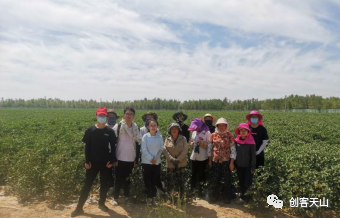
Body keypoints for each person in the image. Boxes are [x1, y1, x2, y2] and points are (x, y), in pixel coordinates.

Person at [71, 107, 117, 217]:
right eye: (99, 115)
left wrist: (111, 161)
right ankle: (79, 208)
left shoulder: (109, 131)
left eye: (103, 116)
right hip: (92, 163)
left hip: (105, 163)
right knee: (87, 184)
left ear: (106, 117)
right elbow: (87, 147)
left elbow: (113, 148)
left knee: (104, 184)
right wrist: (87, 161)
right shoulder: (90, 130)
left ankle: (101, 203)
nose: (101, 117)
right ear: (96, 116)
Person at [111, 107, 141, 205]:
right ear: (124, 115)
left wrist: (136, 159)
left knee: (128, 179)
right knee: (118, 179)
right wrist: (114, 158)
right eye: (127, 114)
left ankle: (127, 196)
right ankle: (115, 198)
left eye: (131, 114)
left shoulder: (136, 128)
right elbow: (113, 143)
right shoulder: (118, 126)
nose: (129, 116)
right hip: (119, 157)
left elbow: (138, 144)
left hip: (131, 158)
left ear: (134, 116)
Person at [208, 118, 236, 204]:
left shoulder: (229, 135)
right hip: (215, 160)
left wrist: (232, 163)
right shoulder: (213, 135)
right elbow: (209, 148)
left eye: (223, 125)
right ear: (217, 126)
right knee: (215, 179)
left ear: (226, 126)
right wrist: (209, 160)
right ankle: (214, 197)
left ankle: (226, 198)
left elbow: (233, 149)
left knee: (227, 180)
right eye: (219, 126)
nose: (221, 127)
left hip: (226, 161)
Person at [141, 119, 164, 205]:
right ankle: (148, 199)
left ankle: (153, 198)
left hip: (156, 162)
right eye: (151, 125)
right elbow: (143, 149)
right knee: (147, 181)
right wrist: (151, 158)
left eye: (155, 125)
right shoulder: (145, 137)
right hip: (147, 162)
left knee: (154, 181)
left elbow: (161, 148)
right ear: (148, 127)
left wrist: (156, 158)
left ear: (157, 126)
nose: (153, 127)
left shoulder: (160, 137)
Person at [163, 123, 188, 199]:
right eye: (172, 129)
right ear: (170, 130)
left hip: (181, 164)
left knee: (181, 182)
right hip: (170, 164)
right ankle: (170, 198)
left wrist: (178, 160)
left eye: (176, 128)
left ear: (179, 130)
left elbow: (185, 150)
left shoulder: (183, 139)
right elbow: (165, 150)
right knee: (170, 182)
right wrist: (171, 159)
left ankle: (181, 198)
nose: (174, 130)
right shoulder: (167, 139)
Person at [188, 118, 211, 197]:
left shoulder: (207, 132)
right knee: (193, 173)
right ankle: (192, 189)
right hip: (194, 156)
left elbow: (209, 145)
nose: (195, 129)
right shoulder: (194, 132)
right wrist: (191, 144)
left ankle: (200, 190)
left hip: (202, 157)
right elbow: (191, 141)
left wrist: (201, 144)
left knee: (200, 174)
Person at [234, 123, 256, 203]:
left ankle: (248, 198)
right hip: (239, 165)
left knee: (248, 182)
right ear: (239, 132)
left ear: (248, 132)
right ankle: (242, 196)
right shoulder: (236, 141)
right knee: (241, 181)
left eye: (245, 130)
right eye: (241, 130)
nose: (243, 132)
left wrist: (253, 167)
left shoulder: (251, 142)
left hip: (248, 166)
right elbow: (234, 153)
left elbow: (253, 156)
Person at [106, 109, 119, 199]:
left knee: (117, 170)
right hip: (106, 152)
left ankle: (117, 187)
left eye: (113, 116)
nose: (111, 118)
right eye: (109, 116)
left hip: (117, 151)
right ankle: (109, 187)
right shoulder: (104, 126)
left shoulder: (119, 127)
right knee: (107, 171)